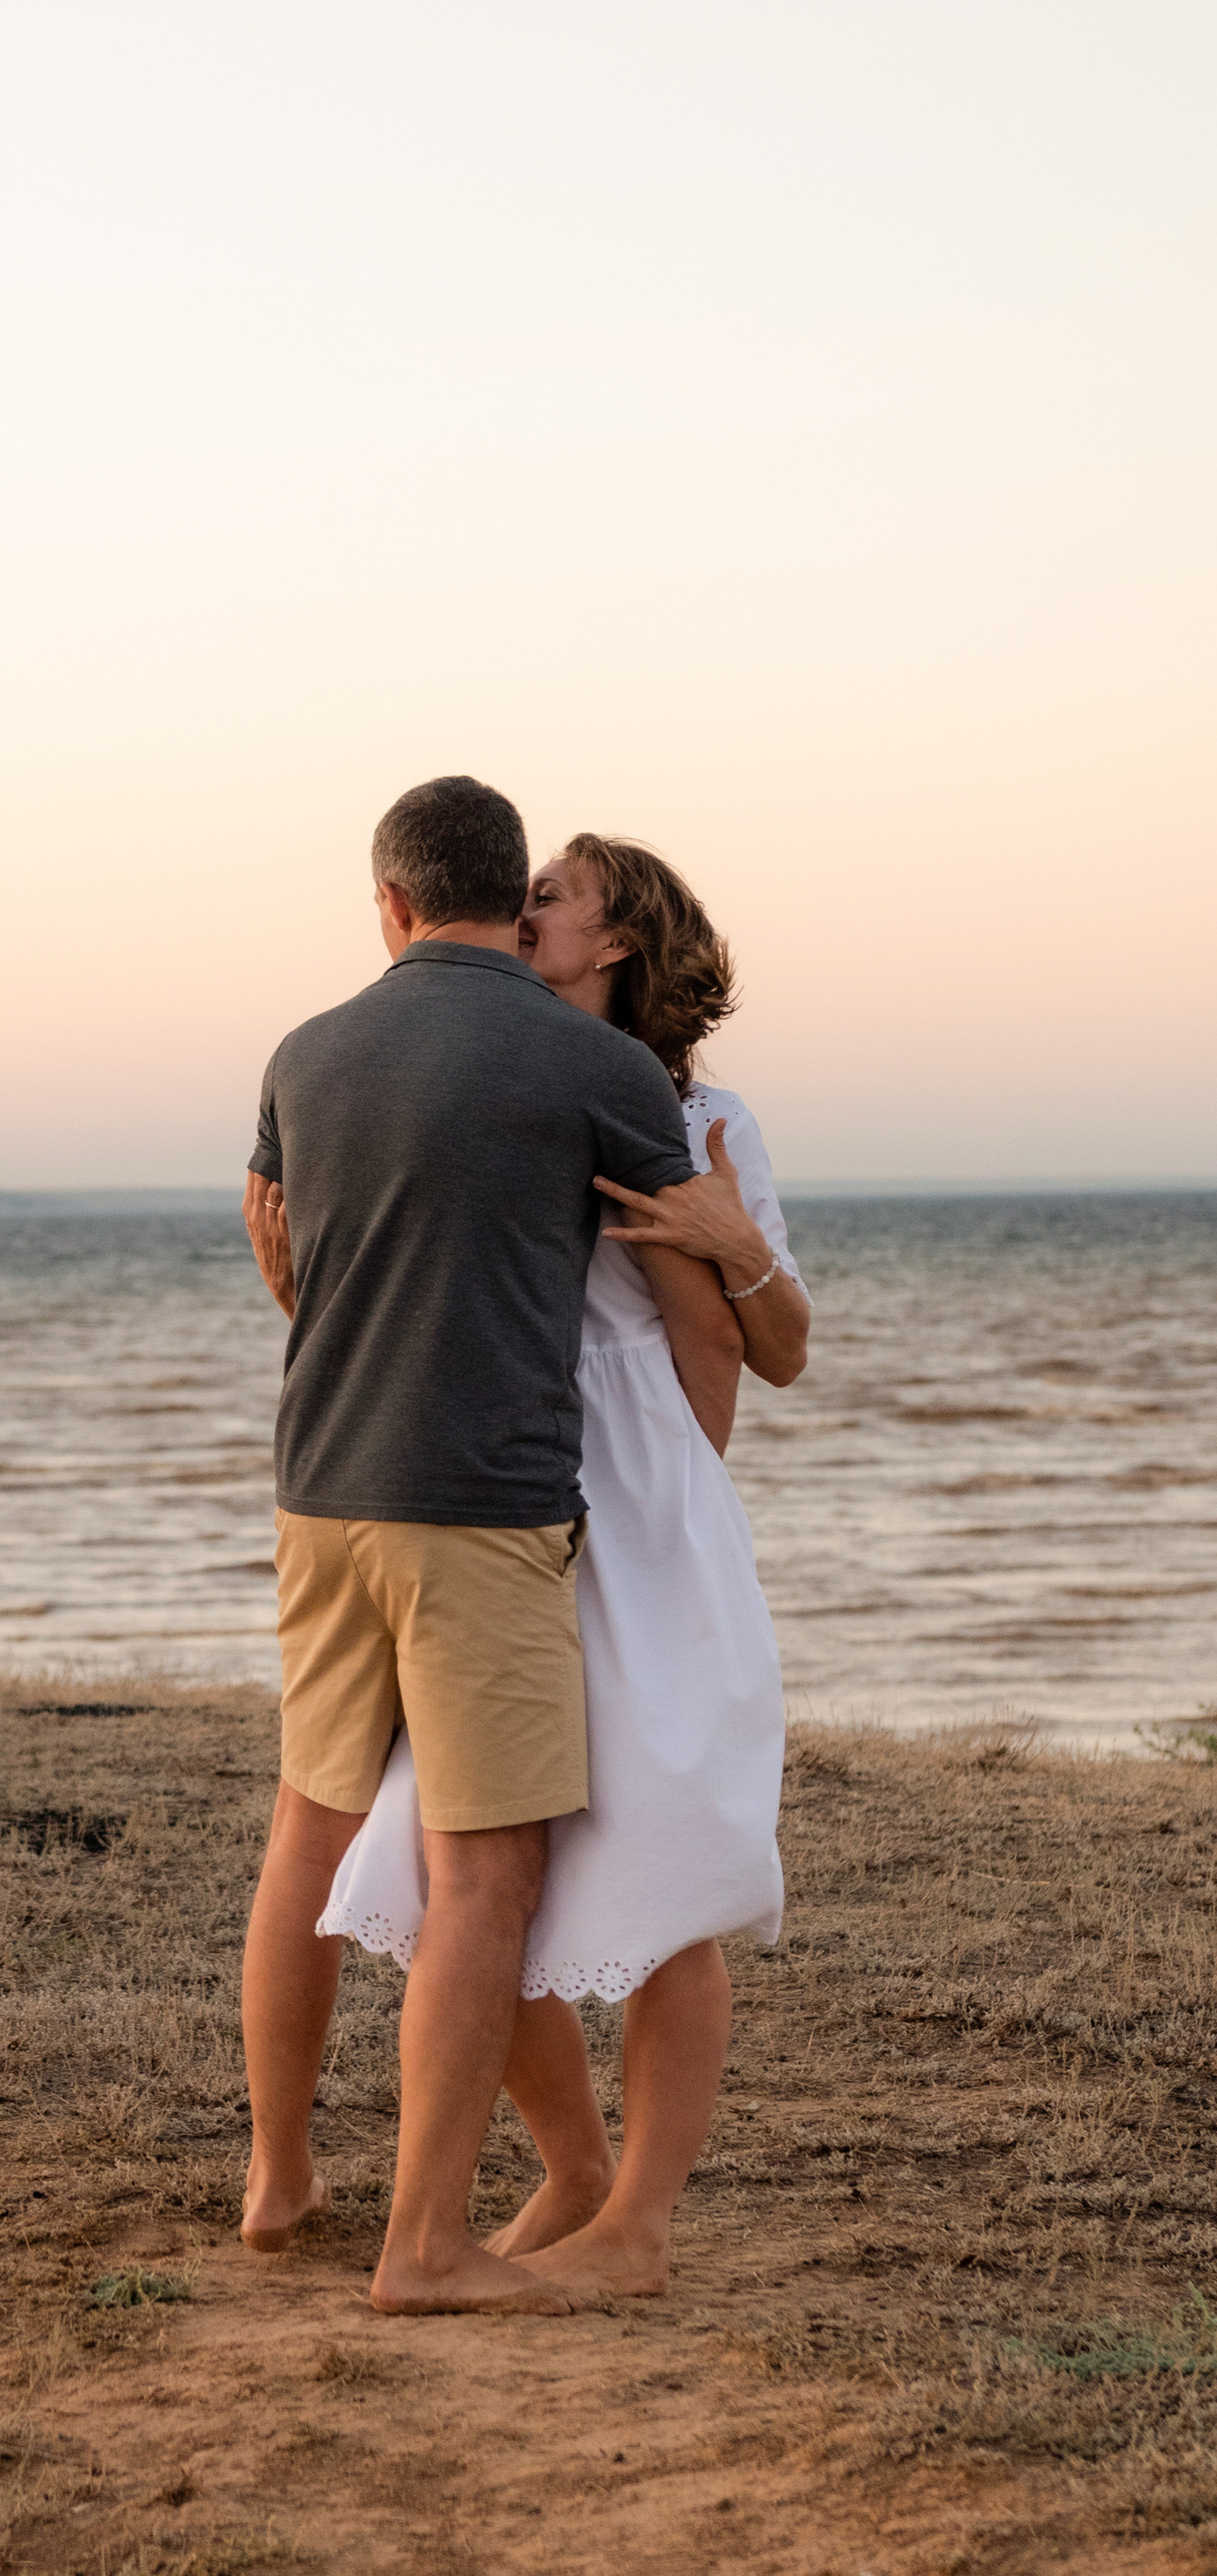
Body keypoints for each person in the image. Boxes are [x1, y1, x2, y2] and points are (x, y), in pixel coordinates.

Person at [319, 833, 811, 2297]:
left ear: (615, 943)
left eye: (548, 899)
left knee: (664, 1854)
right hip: (505, 1484)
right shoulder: (513, 1080)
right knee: (447, 1854)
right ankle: (577, 2162)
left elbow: (751, 1346)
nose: (519, 911)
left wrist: (732, 1246)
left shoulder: (695, 1115)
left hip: (625, 1496)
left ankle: (639, 2224)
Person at [237, 775, 699, 2317]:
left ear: (388, 903)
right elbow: (692, 1270)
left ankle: (282, 2170)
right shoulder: (594, 1062)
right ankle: (423, 2244)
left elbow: (285, 1253)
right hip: (480, 1507)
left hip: (320, 1486)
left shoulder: (303, 1053)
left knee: (309, 1828)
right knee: (482, 1875)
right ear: (514, 901)